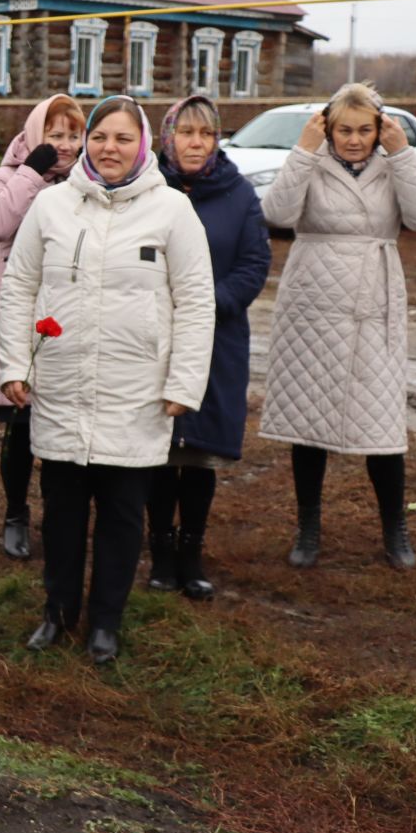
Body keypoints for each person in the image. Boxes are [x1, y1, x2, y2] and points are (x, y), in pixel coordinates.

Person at [0, 96, 214, 665]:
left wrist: (183, 383)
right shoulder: (51, 206)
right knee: (62, 511)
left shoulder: (171, 211)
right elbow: (19, 286)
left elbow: (195, 301)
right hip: (64, 386)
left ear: (141, 144)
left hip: (135, 391)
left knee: (121, 514)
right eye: (99, 138)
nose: (108, 149)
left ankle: (106, 623)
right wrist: (15, 365)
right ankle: (58, 612)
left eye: (121, 138)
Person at [258, 82, 416, 569]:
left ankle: (395, 527)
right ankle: (308, 526)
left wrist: (403, 155)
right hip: (312, 302)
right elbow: (275, 213)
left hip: (372, 300)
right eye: (344, 130)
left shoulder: (391, 165)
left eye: (365, 130)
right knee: (308, 419)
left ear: (380, 129)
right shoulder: (311, 161)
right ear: (328, 127)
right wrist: (302, 151)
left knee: (380, 423)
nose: (355, 139)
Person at [145, 95, 271, 600]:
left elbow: (253, 263)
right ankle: (159, 553)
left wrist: (208, 303)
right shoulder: (146, 188)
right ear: (167, 136)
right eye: (187, 133)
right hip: (154, 337)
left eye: (207, 134)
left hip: (217, 339)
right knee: (157, 451)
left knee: (198, 457)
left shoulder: (239, 194)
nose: (196, 143)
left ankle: (191, 557)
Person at [0, 95, 84, 559]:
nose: (64, 145)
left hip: (66, 317)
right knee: (18, 428)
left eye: (72, 135)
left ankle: (60, 515)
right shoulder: (4, 178)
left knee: (63, 423)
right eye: (54, 134)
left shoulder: (85, 183)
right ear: (35, 135)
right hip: (18, 317)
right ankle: (14, 512)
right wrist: (32, 174)